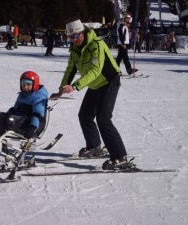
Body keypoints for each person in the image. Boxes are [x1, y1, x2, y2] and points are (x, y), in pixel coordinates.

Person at [50, 19, 130, 170]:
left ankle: (120, 157)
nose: (74, 40)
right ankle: (94, 146)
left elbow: (95, 70)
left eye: (76, 36)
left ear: (84, 32)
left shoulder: (96, 44)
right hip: (94, 84)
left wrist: (75, 86)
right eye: (71, 37)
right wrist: (61, 91)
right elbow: (70, 70)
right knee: (85, 115)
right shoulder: (75, 49)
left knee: (103, 119)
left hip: (109, 81)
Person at [0, 71, 49, 154]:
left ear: (35, 84)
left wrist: (33, 128)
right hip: (21, 120)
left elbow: (38, 114)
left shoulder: (39, 97)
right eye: (23, 84)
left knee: (3, 119)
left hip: (29, 125)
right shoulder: (23, 95)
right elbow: (15, 108)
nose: (25, 86)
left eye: (28, 84)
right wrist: (7, 114)